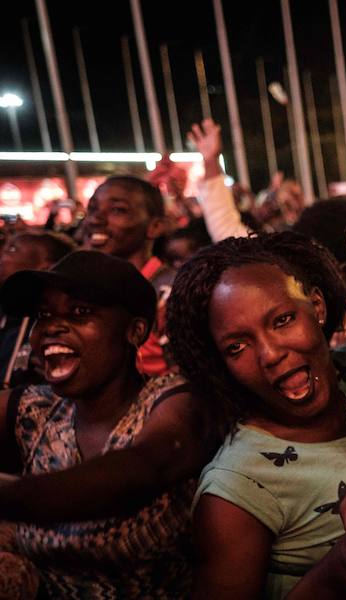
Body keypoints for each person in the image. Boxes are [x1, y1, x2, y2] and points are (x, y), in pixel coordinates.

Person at [165, 232, 346, 598]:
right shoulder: (237, 490)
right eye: (237, 346)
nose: (269, 354)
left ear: (317, 307)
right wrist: (335, 572)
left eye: (282, 320)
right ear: (221, 364)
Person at [0, 250, 209, 597]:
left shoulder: (173, 401)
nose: (52, 327)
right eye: (43, 315)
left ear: (135, 331)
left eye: (80, 312)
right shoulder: (36, 410)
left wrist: (12, 497)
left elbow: (142, 469)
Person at [83, 175, 176, 375]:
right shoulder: (86, 288)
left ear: (155, 226)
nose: (95, 219)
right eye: (92, 209)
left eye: (118, 210)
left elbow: (187, 380)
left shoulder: (169, 291)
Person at [0, 232, 75, 387]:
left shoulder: (53, 327)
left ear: (46, 267)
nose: (2, 255)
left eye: (12, 250)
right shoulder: (5, 315)